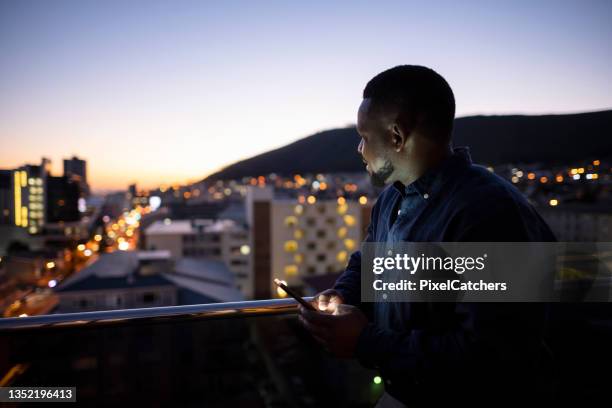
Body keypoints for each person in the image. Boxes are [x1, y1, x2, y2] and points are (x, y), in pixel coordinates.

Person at [298, 65, 557, 407]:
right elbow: (368, 262)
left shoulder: (489, 212)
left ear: (396, 137)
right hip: (401, 391)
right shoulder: (392, 197)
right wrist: (343, 295)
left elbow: (490, 351)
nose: (359, 149)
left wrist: (365, 341)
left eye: (364, 136)